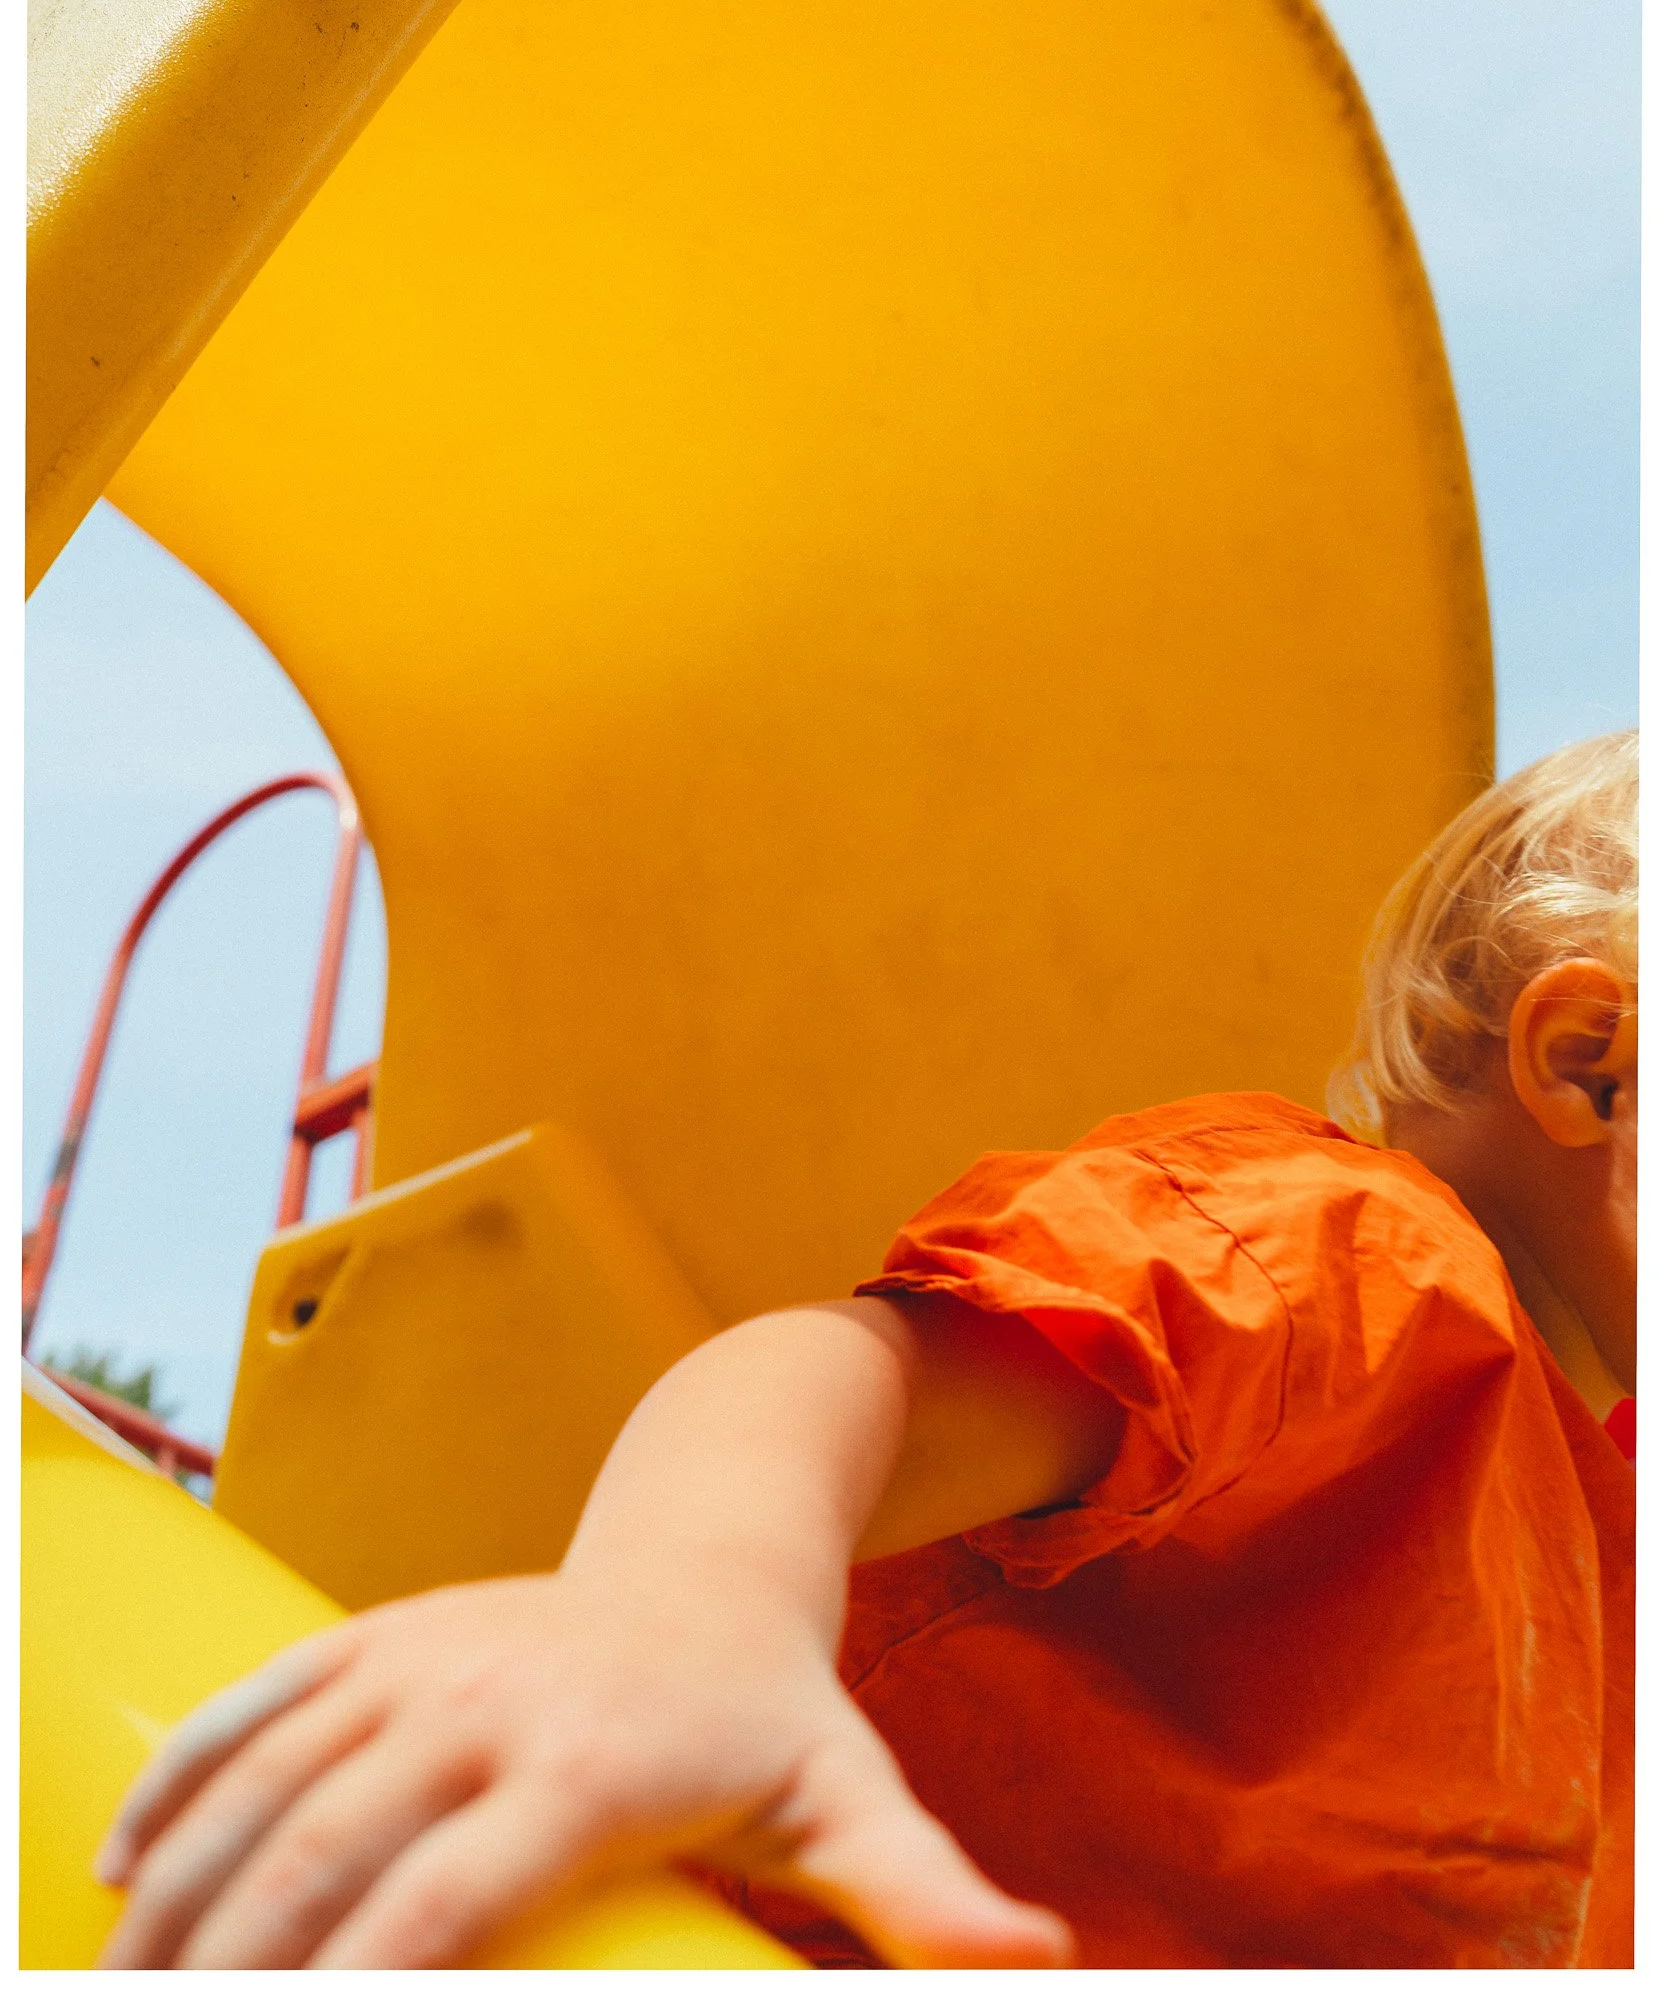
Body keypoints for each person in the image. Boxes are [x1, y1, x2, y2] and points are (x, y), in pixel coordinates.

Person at [94, 731, 1637, 1970]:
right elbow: (855, 1374)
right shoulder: (1354, 1262)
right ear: (1590, 1067)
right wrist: (685, 1613)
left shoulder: (1609, 1535)